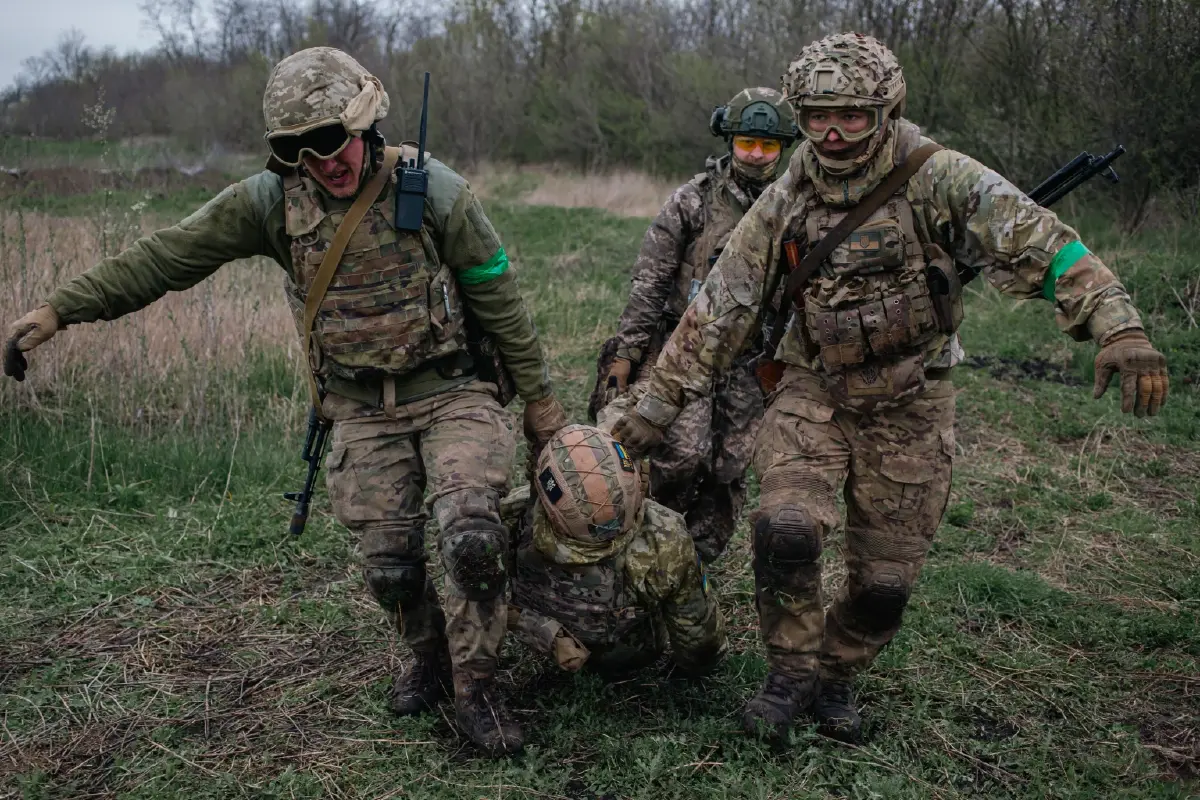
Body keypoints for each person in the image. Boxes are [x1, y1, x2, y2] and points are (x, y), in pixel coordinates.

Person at [2, 46, 569, 756]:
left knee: (472, 538)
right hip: (362, 408)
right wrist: (62, 310)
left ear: (365, 123)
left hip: (455, 392)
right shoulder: (272, 204)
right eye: (299, 148)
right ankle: (429, 657)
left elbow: (499, 295)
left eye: (331, 140)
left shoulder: (438, 192)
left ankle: (479, 689)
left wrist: (541, 404)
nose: (322, 161)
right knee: (391, 569)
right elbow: (167, 256)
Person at [611, 32, 1169, 746]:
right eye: (816, 117)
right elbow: (722, 305)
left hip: (913, 400)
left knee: (883, 587)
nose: (832, 133)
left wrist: (1117, 324)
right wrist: (653, 409)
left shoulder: (938, 176)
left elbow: (1037, 238)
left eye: (850, 116)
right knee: (785, 531)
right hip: (814, 388)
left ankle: (835, 674)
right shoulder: (789, 195)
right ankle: (786, 673)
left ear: (886, 109)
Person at [591, 88, 799, 564]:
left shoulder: (794, 208)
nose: (755, 154)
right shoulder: (694, 200)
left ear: (783, 148)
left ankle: (697, 562)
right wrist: (627, 353)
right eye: (747, 141)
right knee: (679, 454)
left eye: (768, 146)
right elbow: (651, 279)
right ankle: (644, 543)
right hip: (683, 349)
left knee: (729, 467)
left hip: (751, 359)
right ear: (729, 137)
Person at [499, 424, 726, 678]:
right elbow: (698, 634)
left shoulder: (516, 513)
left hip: (545, 646)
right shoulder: (663, 538)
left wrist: (536, 628)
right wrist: (697, 667)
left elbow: (480, 596)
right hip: (627, 657)